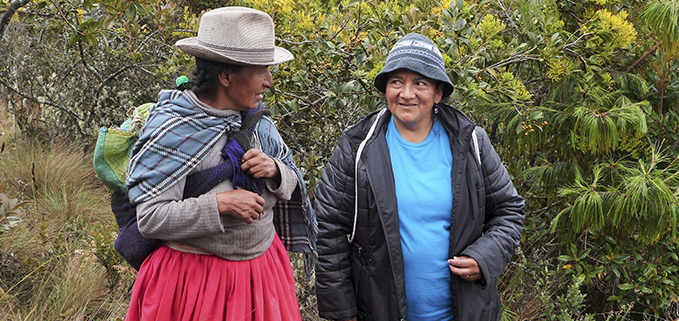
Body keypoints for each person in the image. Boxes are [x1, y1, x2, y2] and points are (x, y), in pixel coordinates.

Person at [314, 33, 525, 321]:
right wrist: (342, 312)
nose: (406, 93)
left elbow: (508, 210)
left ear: (438, 93)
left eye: (420, 83)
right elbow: (329, 229)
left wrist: (485, 257)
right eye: (396, 81)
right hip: (379, 311)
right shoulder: (358, 146)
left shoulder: (469, 142)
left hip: (465, 312)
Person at [123, 7, 316, 321]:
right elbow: (151, 218)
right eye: (260, 70)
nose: (268, 81)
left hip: (262, 273)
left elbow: (293, 178)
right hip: (193, 282)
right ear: (226, 76)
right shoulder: (173, 128)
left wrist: (275, 171)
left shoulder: (259, 123)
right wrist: (219, 205)